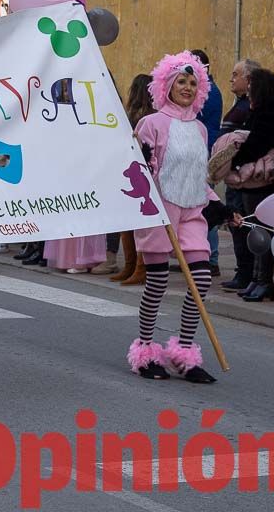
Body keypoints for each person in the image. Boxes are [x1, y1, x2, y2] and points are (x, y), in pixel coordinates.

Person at [127, 51, 218, 384]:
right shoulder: (150, 124)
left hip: (192, 210)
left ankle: (185, 355)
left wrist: (217, 203)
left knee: (202, 280)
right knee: (158, 281)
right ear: (166, 84)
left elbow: (199, 175)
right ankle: (147, 351)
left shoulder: (200, 129)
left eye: (194, 82)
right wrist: (142, 156)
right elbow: (135, 172)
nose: (188, 87)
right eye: (182, 80)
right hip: (159, 212)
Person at [232, 67, 274, 302]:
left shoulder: (270, 110)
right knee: (255, 228)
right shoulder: (266, 106)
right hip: (256, 178)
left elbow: (258, 140)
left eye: (250, 87)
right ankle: (257, 278)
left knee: (262, 229)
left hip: (263, 178)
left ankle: (264, 280)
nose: (247, 91)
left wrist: (234, 159)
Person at [109, 74, 155, 286]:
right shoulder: (137, 114)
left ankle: (139, 267)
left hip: (139, 171)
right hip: (132, 170)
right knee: (130, 222)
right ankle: (132, 265)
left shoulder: (142, 116)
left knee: (138, 223)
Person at [219, 58, 260, 292]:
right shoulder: (242, 103)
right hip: (232, 174)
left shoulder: (250, 106)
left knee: (241, 222)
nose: (232, 79)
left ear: (249, 79)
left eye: (236, 74)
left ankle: (246, 273)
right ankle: (242, 271)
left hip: (239, 173)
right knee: (236, 223)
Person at [192, 49, 223, 277]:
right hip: (201, 151)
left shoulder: (207, 92)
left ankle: (210, 257)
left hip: (203, 153)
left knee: (205, 207)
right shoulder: (206, 90)